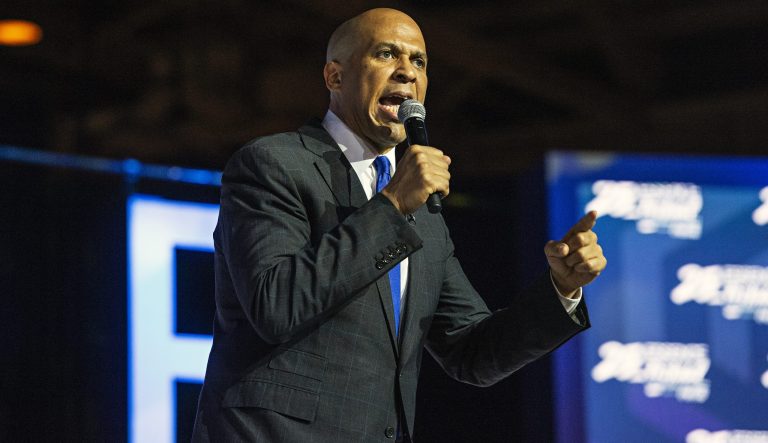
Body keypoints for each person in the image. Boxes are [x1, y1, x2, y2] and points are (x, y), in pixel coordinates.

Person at [192, 7, 606, 442]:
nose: (407, 72)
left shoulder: (422, 213)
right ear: (335, 77)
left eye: (419, 61)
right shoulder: (273, 164)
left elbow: (473, 354)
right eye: (386, 54)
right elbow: (275, 306)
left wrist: (561, 289)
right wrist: (391, 206)